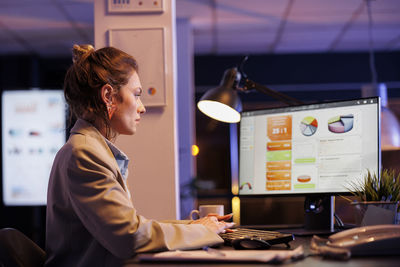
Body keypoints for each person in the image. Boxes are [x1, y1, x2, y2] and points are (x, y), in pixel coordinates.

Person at [45, 44, 234, 267]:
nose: (142, 107)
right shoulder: (84, 154)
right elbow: (129, 237)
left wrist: (195, 227)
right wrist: (202, 231)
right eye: (136, 95)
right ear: (108, 96)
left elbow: (131, 226)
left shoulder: (88, 149)